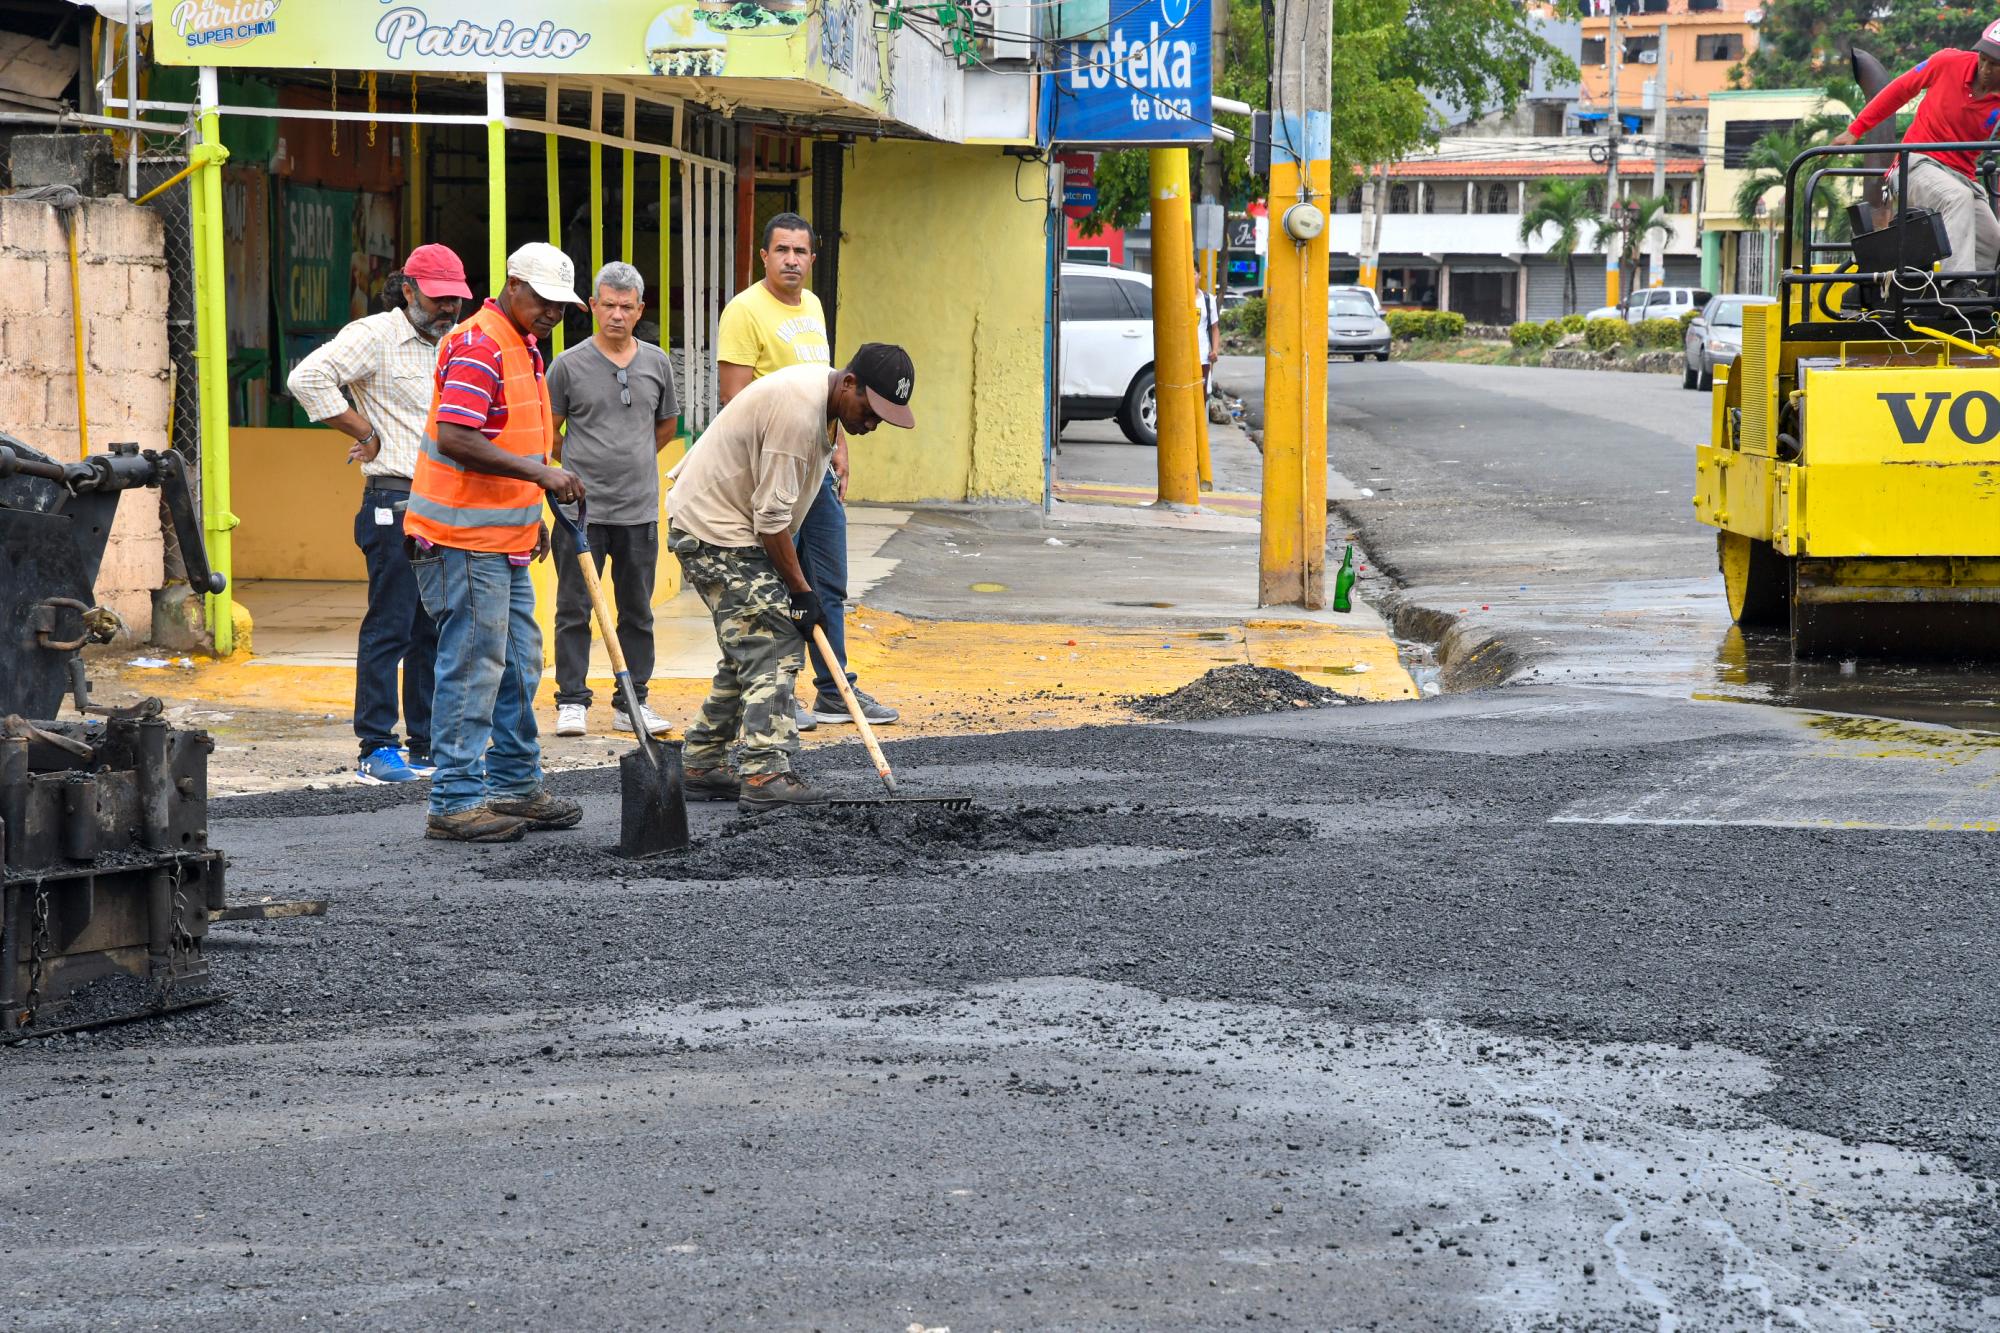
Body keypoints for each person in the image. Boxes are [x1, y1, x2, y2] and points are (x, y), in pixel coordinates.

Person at [666, 345, 916, 812]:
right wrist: (801, 591)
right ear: (849, 384)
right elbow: (771, 518)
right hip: (714, 532)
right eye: (871, 409)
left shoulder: (823, 403)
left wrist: (799, 590)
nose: (873, 423)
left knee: (750, 643)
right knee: (774, 641)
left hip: (735, 531)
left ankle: (700, 762)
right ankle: (765, 771)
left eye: (884, 416)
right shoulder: (798, 419)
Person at [405, 242, 589, 843]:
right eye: (543, 301)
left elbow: (508, 439)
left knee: (518, 664)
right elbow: (458, 437)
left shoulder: (524, 345)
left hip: (500, 535)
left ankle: (514, 784)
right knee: (474, 665)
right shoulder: (481, 344)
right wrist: (543, 477)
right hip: (462, 540)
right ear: (513, 286)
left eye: (561, 307)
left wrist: (528, 513)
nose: (552, 315)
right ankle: (455, 799)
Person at [287, 244, 471, 785]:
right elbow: (307, 379)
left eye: (455, 300)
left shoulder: (452, 342)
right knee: (391, 625)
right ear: (409, 290)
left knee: (432, 629)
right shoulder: (375, 334)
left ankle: (426, 744)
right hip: (394, 498)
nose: (448, 310)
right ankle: (375, 746)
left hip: (442, 501)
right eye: (438, 299)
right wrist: (363, 430)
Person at [717, 212, 900, 735]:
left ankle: (835, 687)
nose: (791, 260)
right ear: (764, 257)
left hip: (816, 463)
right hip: (775, 467)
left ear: (812, 259)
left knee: (829, 580)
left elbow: (833, 385)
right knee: (779, 580)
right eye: (782, 250)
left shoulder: (814, 306)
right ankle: (783, 689)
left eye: (800, 252)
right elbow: (734, 398)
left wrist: (839, 445)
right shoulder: (744, 311)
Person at [547, 261, 680, 740]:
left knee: (637, 610)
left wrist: (635, 458)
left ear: (640, 309)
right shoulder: (568, 364)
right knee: (574, 606)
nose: (617, 315)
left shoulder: (657, 362)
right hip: (580, 513)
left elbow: (665, 427)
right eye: (608, 305)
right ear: (592, 307)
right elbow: (551, 432)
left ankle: (632, 702)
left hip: (639, 508)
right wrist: (582, 469)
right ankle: (572, 701)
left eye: (627, 307)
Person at [1834, 23, 2000, 289]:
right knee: (1957, 198)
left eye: (1995, 64)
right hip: (1915, 164)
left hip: (1963, 177)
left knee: (1991, 240)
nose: (1985, 68)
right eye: (1983, 58)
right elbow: (1899, 90)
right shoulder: (1947, 62)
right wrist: (1855, 130)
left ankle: (1969, 308)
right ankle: (1958, 287)